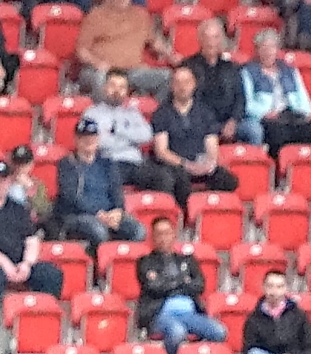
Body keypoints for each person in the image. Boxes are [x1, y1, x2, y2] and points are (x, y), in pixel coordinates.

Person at [0, 157, 66, 345]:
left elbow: (32, 240)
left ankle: (43, 332)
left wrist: (26, 264)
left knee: (51, 274)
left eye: (4, 179)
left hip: (19, 263)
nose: (0, 184)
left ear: (10, 181)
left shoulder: (19, 209)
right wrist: (5, 264)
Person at [151, 65, 240, 210]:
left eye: (186, 82)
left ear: (194, 85)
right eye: (178, 83)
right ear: (172, 86)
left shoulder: (205, 112)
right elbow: (161, 151)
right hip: (176, 165)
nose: (182, 87)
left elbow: (212, 144)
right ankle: (186, 219)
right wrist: (186, 165)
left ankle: (211, 215)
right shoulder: (161, 114)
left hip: (201, 162)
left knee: (227, 180)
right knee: (179, 180)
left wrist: (209, 163)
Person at [136, 215, 225, 351]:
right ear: (152, 237)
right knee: (178, 332)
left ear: (174, 234)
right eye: (159, 234)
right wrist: (183, 282)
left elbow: (199, 286)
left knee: (219, 332)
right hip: (159, 316)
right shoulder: (145, 262)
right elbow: (154, 287)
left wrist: (169, 284)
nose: (163, 238)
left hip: (190, 314)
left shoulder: (188, 260)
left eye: (167, 233)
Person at [76, 0, 174, 97]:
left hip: (133, 71)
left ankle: (153, 114)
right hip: (103, 71)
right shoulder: (95, 16)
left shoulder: (141, 15)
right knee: (100, 78)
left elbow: (154, 42)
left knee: (167, 76)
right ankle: (104, 114)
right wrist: (98, 63)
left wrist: (170, 54)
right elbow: (81, 51)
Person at [57, 116, 145, 248]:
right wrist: (98, 214)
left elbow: (116, 191)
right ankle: (99, 266)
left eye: (93, 136)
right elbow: (72, 196)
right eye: (84, 137)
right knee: (99, 232)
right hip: (79, 215)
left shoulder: (107, 163)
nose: (89, 140)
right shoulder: (67, 164)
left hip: (109, 215)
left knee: (138, 231)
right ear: (76, 139)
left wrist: (117, 211)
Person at [84, 70, 174, 194]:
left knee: (164, 177)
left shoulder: (133, 112)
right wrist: (131, 141)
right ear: (105, 87)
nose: (117, 91)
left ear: (127, 91)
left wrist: (117, 130)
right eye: (113, 85)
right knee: (110, 180)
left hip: (135, 163)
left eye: (121, 87)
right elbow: (97, 142)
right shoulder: (92, 113)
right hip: (109, 163)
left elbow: (147, 135)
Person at [240, 28, 311, 153]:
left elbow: (303, 96)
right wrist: (265, 113)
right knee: (278, 135)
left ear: (277, 50)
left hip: (291, 115)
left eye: (272, 47)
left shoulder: (290, 71)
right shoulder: (248, 72)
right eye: (264, 48)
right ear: (257, 50)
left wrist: (305, 112)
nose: (268, 52)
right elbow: (246, 103)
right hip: (268, 117)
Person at [182, 17, 244, 143]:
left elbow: (240, 98)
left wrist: (233, 121)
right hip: (200, 121)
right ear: (200, 40)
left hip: (229, 121)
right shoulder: (188, 66)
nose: (211, 42)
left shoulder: (231, 67)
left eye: (215, 37)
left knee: (253, 130)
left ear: (221, 40)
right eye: (207, 37)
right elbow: (185, 100)